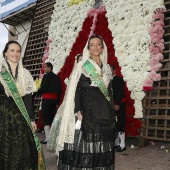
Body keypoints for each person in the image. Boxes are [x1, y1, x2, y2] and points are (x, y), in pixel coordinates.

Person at [48, 35, 116, 169]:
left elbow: (109, 92)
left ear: (102, 47)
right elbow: (77, 90)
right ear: (88, 48)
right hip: (88, 110)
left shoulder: (107, 68)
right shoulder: (82, 66)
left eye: (98, 44)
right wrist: (78, 110)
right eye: (92, 45)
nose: (95, 47)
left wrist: (112, 111)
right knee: (87, 145)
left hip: (104, 111)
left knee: (101, 144)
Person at [0, 40, 46, 170]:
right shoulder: (0, 72)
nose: (15, 54)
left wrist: (31, 119)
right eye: (12, 50)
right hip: (3, 116)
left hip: (20, 116)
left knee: (23, 148)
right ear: (5, 53)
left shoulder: (25, 74)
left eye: (18, 51)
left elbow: (27, 99)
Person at [38, 62, 62, 144]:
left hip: (47, 99)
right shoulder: (57, 77)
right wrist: (57, 102)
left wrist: (38, 91)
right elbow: (59, 90)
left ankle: (48, 138)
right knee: (52, 118)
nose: (44, 69)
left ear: (50, 68)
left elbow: (43, 88)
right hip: (54, 99)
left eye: (45, 67)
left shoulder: (46, 76)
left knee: (45, 119)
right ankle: (53, 138)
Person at [110, 65, 126, 152]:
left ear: (115, 71)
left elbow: (120, 93)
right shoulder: (107, 80)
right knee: (113, 125)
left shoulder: (118, 79)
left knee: (120, 124)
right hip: (110, 105)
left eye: (110, 69)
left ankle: (122, 145)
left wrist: (117, 104)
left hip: (118, 104)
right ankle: (115, 144)